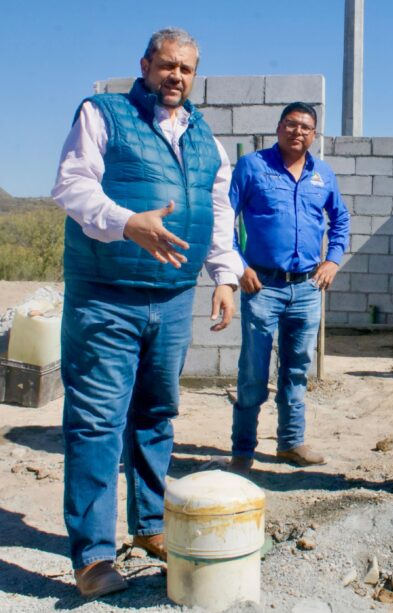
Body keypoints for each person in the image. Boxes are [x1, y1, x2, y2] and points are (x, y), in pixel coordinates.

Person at [51, 28, 243, 597]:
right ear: (145, 65)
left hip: (172, 298)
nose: (176, 76)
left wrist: (225, 276)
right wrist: (126, 221)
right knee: (98, 422)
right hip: (107, 295)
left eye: (186, 68)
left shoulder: (206, 137)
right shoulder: (104, 114)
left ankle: (151, 526)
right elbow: (70, 185)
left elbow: (217, 210)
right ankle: (92, 556)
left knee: (157, 413)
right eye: (166, 65)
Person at [228, 102, 350, 474]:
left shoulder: (323, 175)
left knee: (297, 370)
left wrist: (333, 260)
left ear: (314, 135)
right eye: (291, 124)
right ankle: (243, 451)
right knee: (253, 373)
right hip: (262, 286)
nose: (298, 132)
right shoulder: (253, 167)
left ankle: (290, 442)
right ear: (279, 127)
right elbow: (223, 219)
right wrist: (239, 265)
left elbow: (341, 220)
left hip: (307, 288)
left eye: (306, 127)